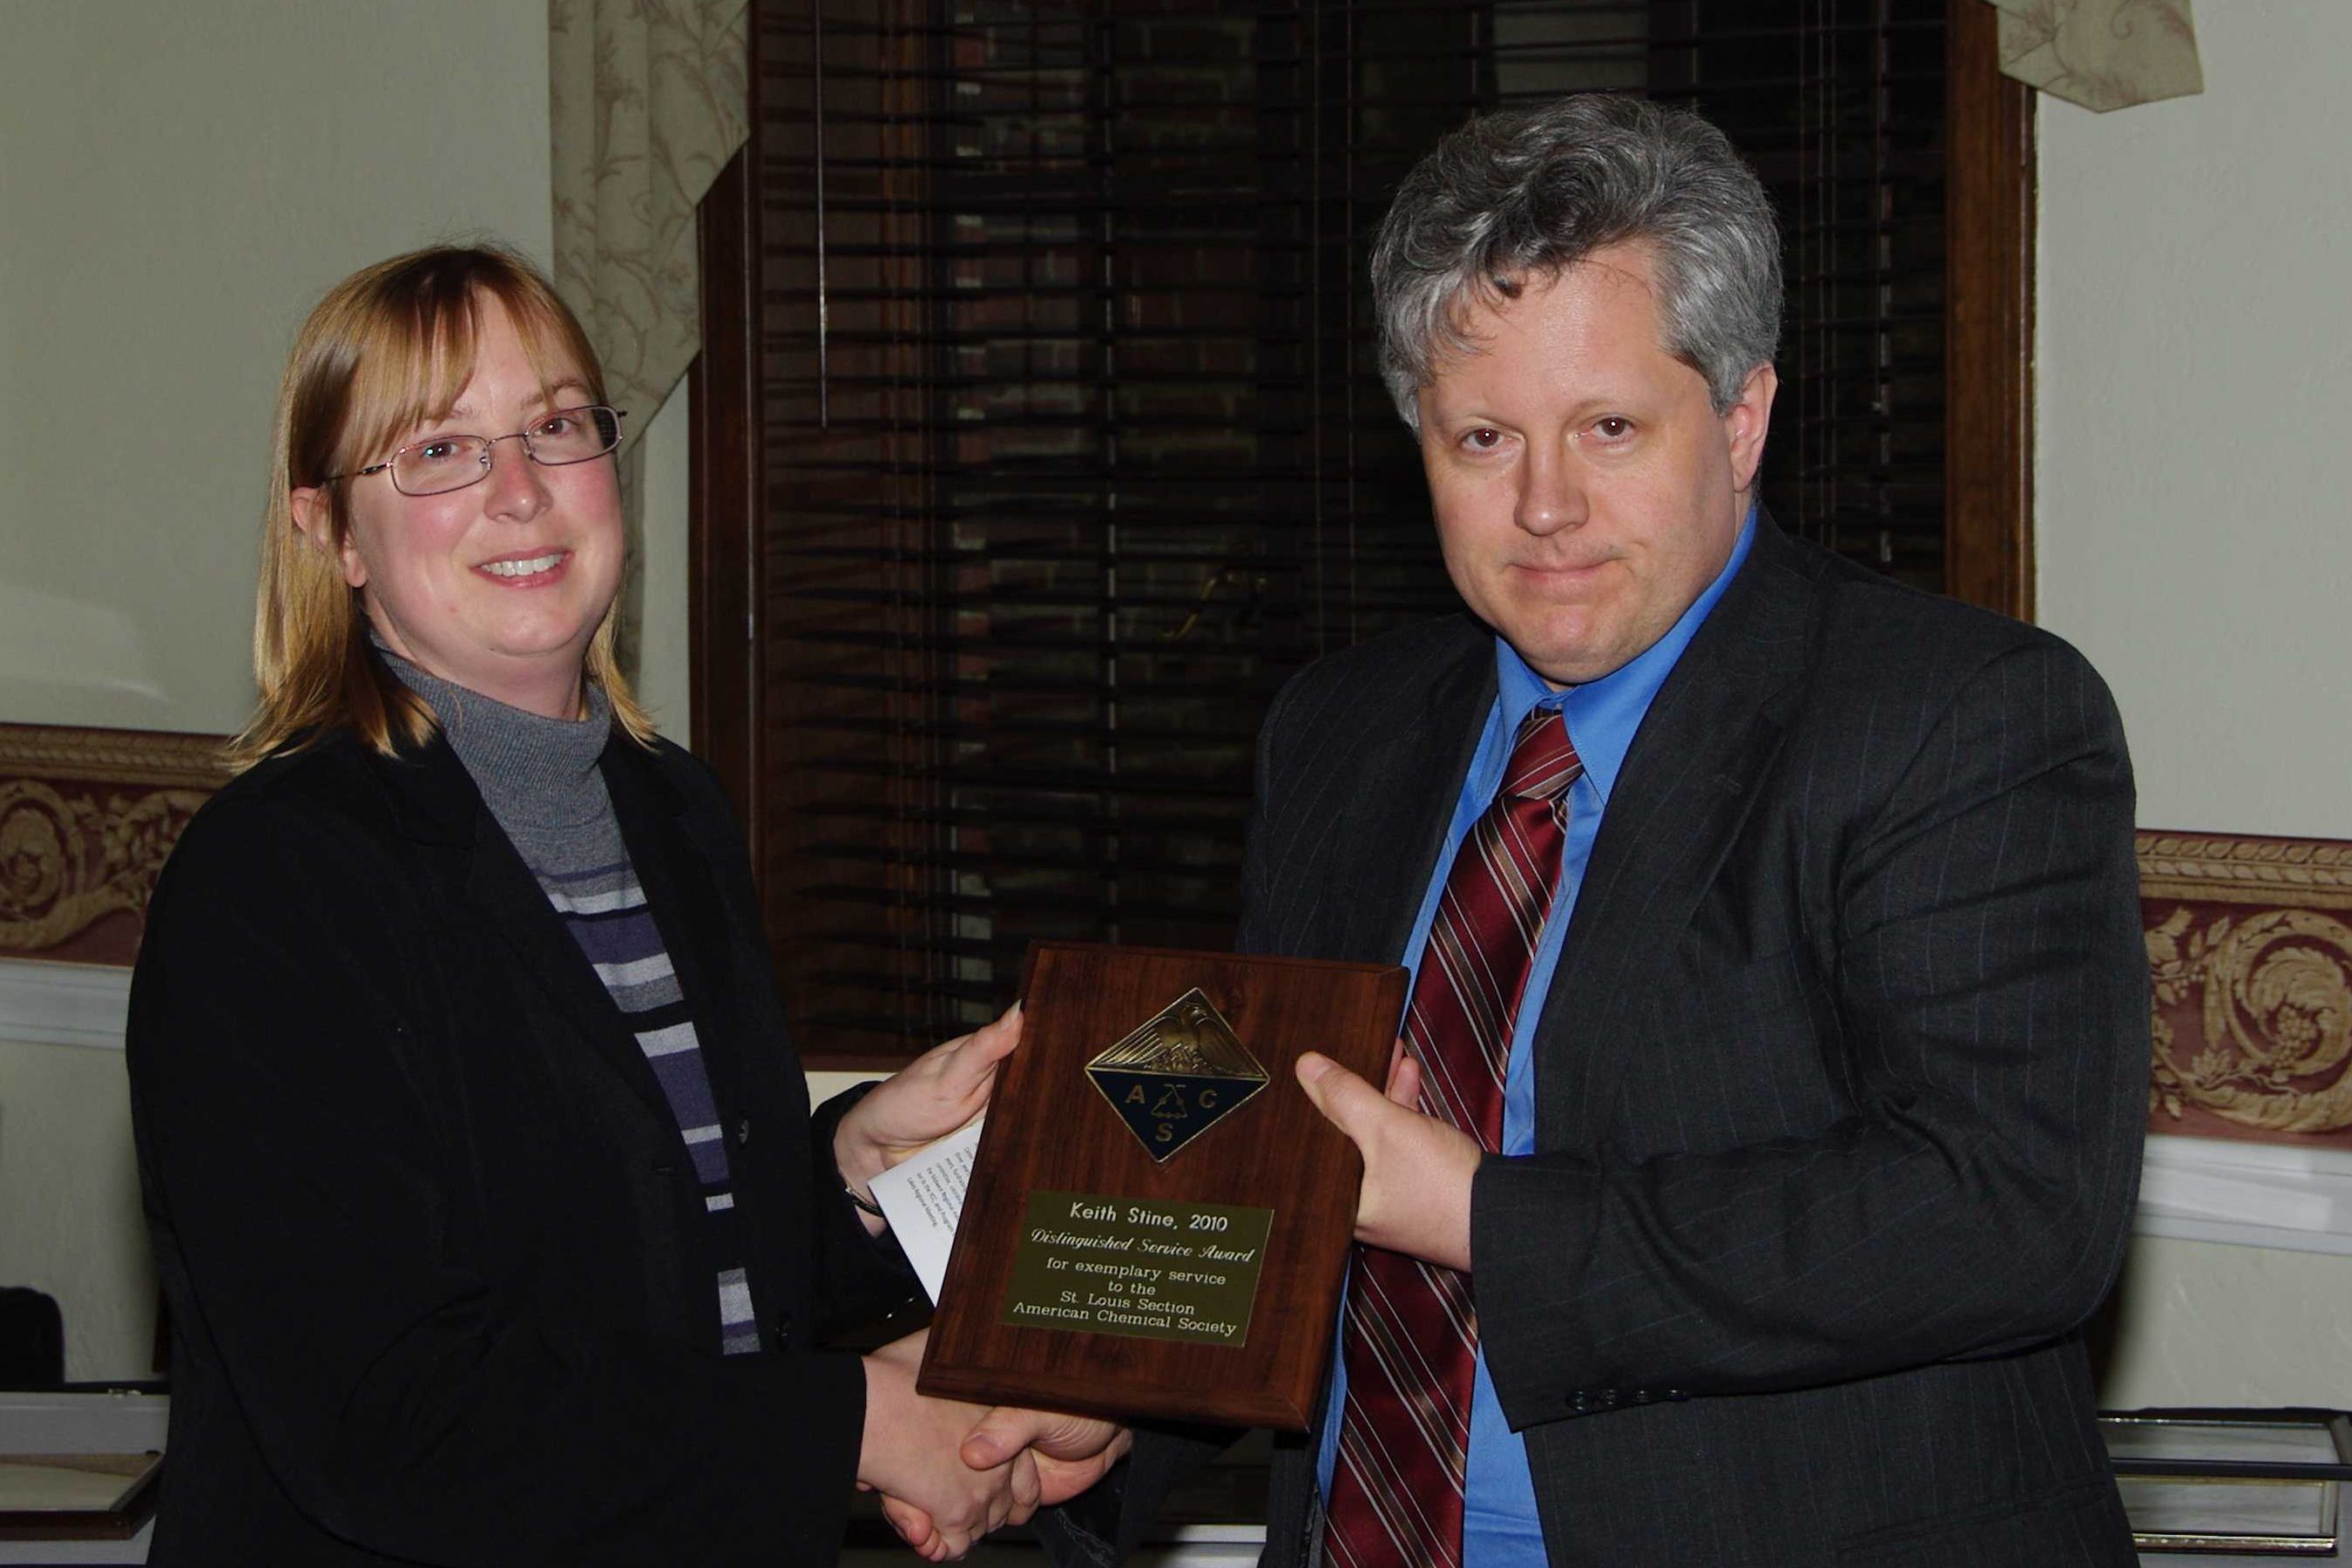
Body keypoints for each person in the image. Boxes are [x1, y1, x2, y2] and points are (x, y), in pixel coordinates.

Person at [1089, 94, 2150, 1566]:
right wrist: (1089, 1404)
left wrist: (1482, 1218)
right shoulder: (1341, 726)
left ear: (1743, 416)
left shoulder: (1960, 717)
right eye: (1480, 437)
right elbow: (1286, 1146)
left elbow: (2009, 1212)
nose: (1544, 506)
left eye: (1608, 427)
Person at [125, 244, 1115, 1565]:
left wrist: (854, 1178)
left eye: (557, 426)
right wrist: (861, 1425)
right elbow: (393, 1418)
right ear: (329, 533)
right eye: (437, 452)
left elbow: (665, 1285)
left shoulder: (675, 815)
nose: (522, 492)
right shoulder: (273, 882)